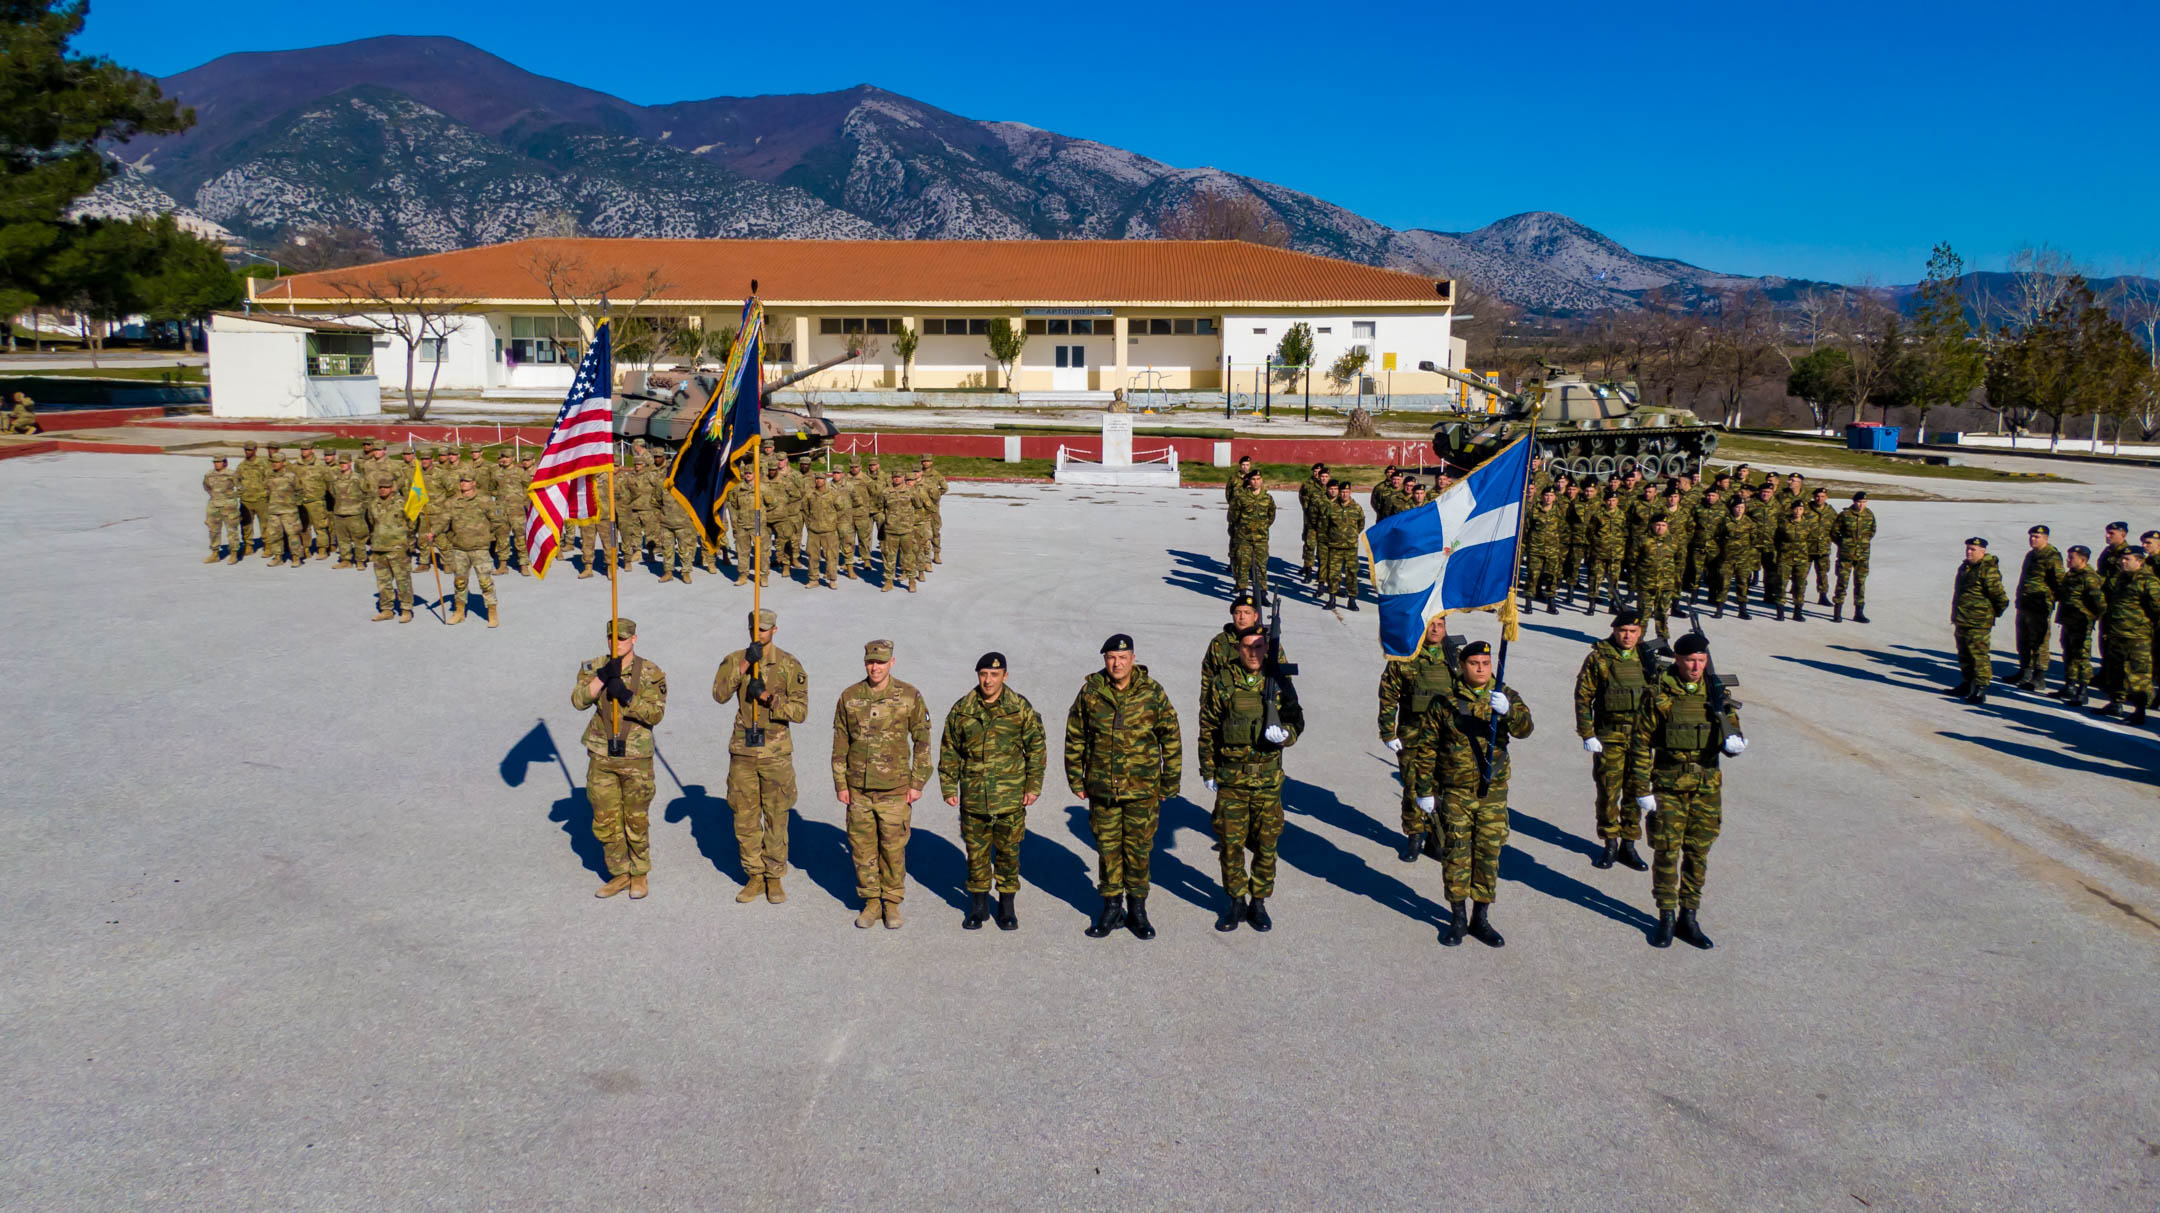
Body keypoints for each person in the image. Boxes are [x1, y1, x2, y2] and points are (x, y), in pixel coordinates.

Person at [1629, 631, 1745, 949]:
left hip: (1706, 788)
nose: (1696, 666)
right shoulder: (1659, 693)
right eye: (1690, 660)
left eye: (1701, 660)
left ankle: (1689, 917)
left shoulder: (1716, 692)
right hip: (1668, 787)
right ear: (1677, 659)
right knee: (1667, 852)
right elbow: (1640, 743)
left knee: (1697, 853)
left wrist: (1734, 741)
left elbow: (1730, 728)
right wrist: (1642, 788)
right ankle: (1666, 916)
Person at [1413, 640, 1531, 948]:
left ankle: (1481, 917)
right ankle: (1457, 918)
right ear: (1462, 666)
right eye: (1474, 663)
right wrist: (1424, 791)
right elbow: (1426, 750)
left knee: (1488, 855)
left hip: (1492, 794)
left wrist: (1507, 713)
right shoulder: (1445, 702)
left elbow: (1525, 728)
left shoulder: (1506, 696)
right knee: (1456, 855)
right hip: (1456, 794)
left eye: (1486, 663)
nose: (1481, 668)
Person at [1064, 634, 1180, 940]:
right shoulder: (1091, 692)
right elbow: (1075, 734)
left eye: (1123, 657)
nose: (1117, 663)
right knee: (1107, 849)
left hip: (1142, 790)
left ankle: (1138, 910)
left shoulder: (1152, 692)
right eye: (1111, 658)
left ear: (1133, 658)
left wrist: (1170, 780)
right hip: (1103, 788)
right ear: (1104, 660)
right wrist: (1075, 777)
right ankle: (1111, 908)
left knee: (1139, 850)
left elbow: (1171, 736)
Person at [1199, 629, 1302, 932]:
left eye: (1259, 647)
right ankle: (1235, 902)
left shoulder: (1279, 681)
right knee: (1231, 845)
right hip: (1232, 780)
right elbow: (1208, 728)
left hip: (1268, 781)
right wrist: (1207, 770)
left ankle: (1258, 902)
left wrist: (1286, 736)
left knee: (1266, 845)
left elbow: (1297, 719)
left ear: (1266, 649)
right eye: (1248, 647)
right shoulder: (1223, 682)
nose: (1254, 653)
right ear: (1239, 649)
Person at [938, 652, 1046, 931]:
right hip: (974, 796)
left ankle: (1007, 907)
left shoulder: (1019, 707)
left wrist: (1033, 785)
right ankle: (978, 905)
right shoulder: (963, 709)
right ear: (978, 675)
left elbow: (1036, 748)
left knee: (1008, 853)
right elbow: (950, 749)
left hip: (1010, 796)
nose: (988, 680)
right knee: (976, 854)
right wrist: (949, 785)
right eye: (984, 674)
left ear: (1005, 676)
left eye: (994, 675)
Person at [832, 640, 933, 929]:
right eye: (870, 662)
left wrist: (918, 782)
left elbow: (923, 739)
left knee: (892, 848)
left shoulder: (909, 696)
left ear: (892, 662)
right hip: (859, 789)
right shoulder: (850, 697)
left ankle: (891, 902)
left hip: (895, 789)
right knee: (862, 849)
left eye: (880, 662)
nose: (874, 667)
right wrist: (841, 782)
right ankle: (871, 902)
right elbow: (840, 741)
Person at [711, 609, 809, 904]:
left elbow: (801, 712)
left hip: (775, 752)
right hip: (743, 750)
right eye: (754, 628)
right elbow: (719, 694)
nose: (759, 634)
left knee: (777, 816)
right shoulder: (733, 659)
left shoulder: (789, 664)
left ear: (775, 630)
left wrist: (767, 697)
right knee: (745, 816)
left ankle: (774, 875)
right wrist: (744, 664)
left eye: (764, 630)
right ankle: (754, 875)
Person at [573, 618, 669, 900]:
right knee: (605, 819)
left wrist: (627, 695)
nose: (617, 643)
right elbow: (578, 700)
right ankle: (619, 873)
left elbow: (656, 714)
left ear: (635, 639)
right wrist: (602, 678)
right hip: (602, 753)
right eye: (612, 638)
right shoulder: (593, 667)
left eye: (623, 639)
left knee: (635, 818)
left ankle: (639, 874)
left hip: (635, 756)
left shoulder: (651, 672)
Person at [1574, 610, 1653, 871]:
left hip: (1641, 737)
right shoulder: (1599, 658)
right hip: (1610, 735)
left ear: (1640, 632)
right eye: (1622, 631)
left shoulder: (1647, 658)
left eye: (1632, 631)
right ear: (1614, 630)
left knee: (1635, 790)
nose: (1627, 636)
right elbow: (1583, 698)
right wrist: (1588, 733)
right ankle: (1609, 842)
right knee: (1609, 790)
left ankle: (1629, 844)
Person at [1376, 614, 1455, 862]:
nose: (1435, 629)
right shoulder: (1406, 656)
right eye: (1431, 624)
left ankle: (1436, 839)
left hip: (1446, 736)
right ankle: (1414, 836)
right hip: (1413, 734)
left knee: (1442, 788)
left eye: (1440, 625)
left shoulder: (1455, 658)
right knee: (1412, 787)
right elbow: (1388, 695)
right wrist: (1387, 731)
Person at [2093, 548, 2159, 724]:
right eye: (2122, 559)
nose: (2122, 562)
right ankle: (2115, 703)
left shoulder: (2149, 582)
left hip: (2137, 638)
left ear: (2139, 561)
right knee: (2116, 671)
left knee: (2138, 675)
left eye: (2127, 559)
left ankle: (2140, 711)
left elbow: (2157, 610)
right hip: (2117, 634)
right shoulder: (2122, 578)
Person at [430, 473, 499, 626]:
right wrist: (433, 532)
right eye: (461, 481)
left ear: (474, 483)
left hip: (480, 548)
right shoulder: (452, 502)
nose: (463, 483)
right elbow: (443, 520)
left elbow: (496, 521)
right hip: (459, 548)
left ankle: (492, 613)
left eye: (467, 481)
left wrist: (486, 536)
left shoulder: (484, 500)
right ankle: (459, 612)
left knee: (485, 582)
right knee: (460, 582)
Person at [1951, 537, 2009, 704]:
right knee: (1964, 654)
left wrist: (1988, 614)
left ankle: (1980, 688)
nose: (1969, 552)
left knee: (1979, 655)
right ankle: (1967, 683)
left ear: (1983, 552)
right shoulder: (1965, 567)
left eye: (1973, 549)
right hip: (1962, 618)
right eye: (1968, 549)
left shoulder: (1987, 570)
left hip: (1978, 622)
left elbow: (2000, 597)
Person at [2012, 525, 2065, 692]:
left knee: (2039, 642)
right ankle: (2024, 671)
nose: (2032, 539)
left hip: (2039, 606)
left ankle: (2039, 676)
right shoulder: (2031, 555)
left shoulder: (2051, 556)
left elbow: (2059, 582)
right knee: (2023, 639)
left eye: (2036, 537)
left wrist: (2049, 601)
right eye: (2031, 536)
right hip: (2025, 604)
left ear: (2046, 538)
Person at [2054, 545, 2105, 707]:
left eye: (2071, 558)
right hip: (2069, 622)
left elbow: (2100, 604)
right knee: (2068, 655)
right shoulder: (2071, 574)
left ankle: (2083, 691)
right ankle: (2069, 686)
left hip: (2082, 624)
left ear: (2082, 560)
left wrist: (2091, 619)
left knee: (2082, 657)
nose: (2068, 560)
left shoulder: (2089, 577)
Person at [365, 481, 415, 622]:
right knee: (383, 581)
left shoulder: (403, 503)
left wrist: (406, 539)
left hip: (398, 548)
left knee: (403, 580)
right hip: (379, 548)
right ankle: (386, 609)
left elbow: (412, 522)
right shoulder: (373, 503)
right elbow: (371, 522)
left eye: (386, 487)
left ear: (392, 488)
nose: (382, 489)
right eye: (380, 487)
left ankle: (406, 610)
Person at [1710, 495, 1757, 620]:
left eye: (1742, 507)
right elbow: (1716, 536)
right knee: (1723, 584)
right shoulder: (1725, 521)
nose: (1740, 509)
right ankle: (1719, 609)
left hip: (1743, 559)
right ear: (1733, 508)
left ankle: (1742, 610)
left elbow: (1754, 539)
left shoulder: (1749, 522)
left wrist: (1747, 552)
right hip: (1726, 559)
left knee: (1742, 584)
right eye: (1737, 507)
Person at [1228, 472, 1274, 602]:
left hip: (1261, 538)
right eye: (1253, 479)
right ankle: (1242, 594)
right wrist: (1240, 529)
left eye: (1258, 479)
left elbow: (1271, 516)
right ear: (1249, 481)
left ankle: (1262, 595)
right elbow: (1232, 516)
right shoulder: (1240, 498)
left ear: (1262, 480)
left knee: (1261, 566)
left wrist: (1262, 527)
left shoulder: (1267, 498)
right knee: (1243, 565)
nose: (1256, 482)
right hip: (1243, 538)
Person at [1830, 491, 1875, 623]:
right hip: (1846, 555)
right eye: (1859, 502)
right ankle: (1837, 612)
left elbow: (1872, 531)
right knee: (1842, 582)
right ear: (1853, 501)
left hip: (1862, 556)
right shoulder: (1844, 515)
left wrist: (1863, 544)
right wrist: (1843, 544)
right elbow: (1834, 532)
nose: (1861, 505)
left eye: (1864, 502)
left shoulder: (1869, 515)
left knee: (1860, 583)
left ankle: (1859, 612)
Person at [1321, 479, 1365, 611]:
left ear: (1350, 492)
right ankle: (1332, 599)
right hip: (1335, 547)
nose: (1345, 494)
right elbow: (1325, 526)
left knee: (1352, 574)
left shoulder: (1357, 508)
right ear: (1339, 493)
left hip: (1351, 548)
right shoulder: (1332, 507)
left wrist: (1351, 536)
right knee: (1333, 574)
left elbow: (1360, 525)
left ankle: (1352, 600)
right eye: (1343, 492)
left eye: (1347, 491)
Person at [1522, 487, 1565, 612]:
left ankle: (1551, 602)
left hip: (1552, 550)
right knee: (1532, 576)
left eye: (1551, 495)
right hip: (1535, 549)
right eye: (1546, 495)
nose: (1548, 498)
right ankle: (1528, 602)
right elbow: (1527, 528)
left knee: (1552, 577)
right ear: (1541, 496)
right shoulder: (1534, 511)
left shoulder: (1559, 512)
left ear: (1555, 497)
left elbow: (1562, 529)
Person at [1769, 500, 1811, 621]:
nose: (1798, 512)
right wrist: (1781, 551)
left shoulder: (1807, 524)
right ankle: (1780, 611)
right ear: (1792, 510)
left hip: (1802, 560)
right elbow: (1777, 539)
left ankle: (1797, 611)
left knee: (1800, 585)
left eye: (1801, 509)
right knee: (1781, 584)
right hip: (1785, 559)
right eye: (1796, 509)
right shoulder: (1784, 523)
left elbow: (1810, 540)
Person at [880, 469, 921, 591]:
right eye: (894, 477)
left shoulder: (911, 491)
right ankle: (888, 582)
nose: (896, 479)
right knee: (889, 557)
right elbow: (880, 507)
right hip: (891, 530)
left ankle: (912, 581)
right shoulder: (886, 492)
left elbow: (918, 505)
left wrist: (911, 520)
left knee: (909, 557)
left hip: (906, 530)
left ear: (903, 477)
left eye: (899, 476)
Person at [262, 452, 305, 566]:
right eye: (273, 462)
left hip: (289, 511)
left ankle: (296, 558)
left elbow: (300, 490)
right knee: (274, 534)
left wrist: (295, 504)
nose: (274, 464)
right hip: (273, 511)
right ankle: (277, 557)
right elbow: (266, 490)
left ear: (283, 463)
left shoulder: (291, 476)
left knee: (293, 534)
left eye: (277, 462)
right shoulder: (268, 475)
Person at [804, 471, 845, 588]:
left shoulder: (833, 494)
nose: (818, 481)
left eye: (821, 479)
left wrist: (832, 521)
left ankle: (832, 579)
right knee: (813, 556)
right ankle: (813, 579)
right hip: (814, 531)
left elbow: (841, 509)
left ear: (825, 480)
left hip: (829, 531)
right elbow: (805, 509)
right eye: (817, 479)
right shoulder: (810, 494)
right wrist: (811, 522)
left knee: (831, 556)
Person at [202, 455, 241, 563]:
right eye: (215, 462)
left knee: (232, 531)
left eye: (219, 462)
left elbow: (241, 487)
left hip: (229, 507)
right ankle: (215, 553)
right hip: (214, 506)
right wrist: (215, 496)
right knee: (213, 531)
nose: (216, 464)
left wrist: (232, 496)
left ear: (225, 463)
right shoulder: (209, 475)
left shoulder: (232, 474)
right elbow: (206, 487)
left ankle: (234, 554)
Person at [1298, 464, 1331, 579]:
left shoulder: (1331, 489)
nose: (1321, 477)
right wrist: (1308, 517)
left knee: (1324, 550)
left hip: (1326, 526)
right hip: (1311, 523)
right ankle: (1308, 571)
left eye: (1325, 476)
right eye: (1317, 473)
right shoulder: (1310, 487)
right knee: (1309, 546)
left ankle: (1321, 574)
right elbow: (1304, 502)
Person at [918, 456, 947, 564]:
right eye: (924, 461)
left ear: (932, 462)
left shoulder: (937, 475)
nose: (926, 463)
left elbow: (944, 488)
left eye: (928, 461)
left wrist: (936, 495)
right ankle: (923, 557)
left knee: (935, 531)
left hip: (933, 509)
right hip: (920, 508)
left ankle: (936, 554)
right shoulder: (918, 474)